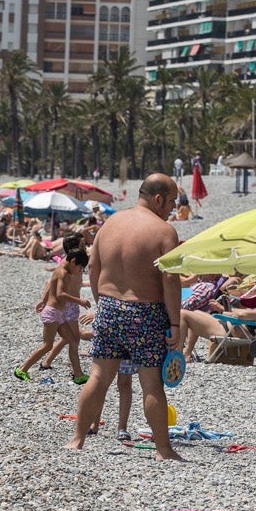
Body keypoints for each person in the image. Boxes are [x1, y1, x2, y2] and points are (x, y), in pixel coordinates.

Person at [68, 174, 183, 461]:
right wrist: (175, 323)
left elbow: (93, 267)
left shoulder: (111, 223)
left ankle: (77, 439)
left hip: (108, 308)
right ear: (158, 199)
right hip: (146, 313)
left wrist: (102, 302)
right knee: (151, 384)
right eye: (171, 202)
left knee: (98, 376)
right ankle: (163, 450)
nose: (172, 208)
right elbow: (170, 281)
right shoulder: (164, 231)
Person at [15, 249, 91, 383]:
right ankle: (22, 369)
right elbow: (60, 293)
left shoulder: (62, 267)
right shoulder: (63, 272)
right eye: (80, 268)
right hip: (52, 313)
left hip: (58, 314)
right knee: (47, 345)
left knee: (73, 341)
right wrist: (80, 301)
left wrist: (42, 300)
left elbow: (50, 285)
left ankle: (79, 375)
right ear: (73, 261)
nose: (80, 271)